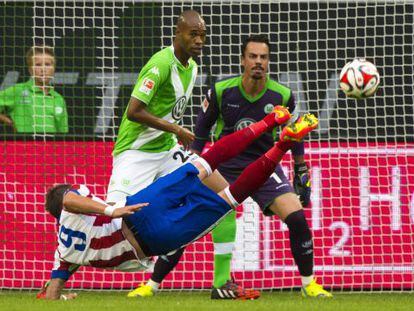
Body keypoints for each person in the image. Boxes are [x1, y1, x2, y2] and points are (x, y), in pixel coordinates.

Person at [37, 106, 319, 300]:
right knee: (206, 162)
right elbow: (69, 200)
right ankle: (270, 122)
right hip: (137, 210)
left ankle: (282, 143)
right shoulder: (68, 209)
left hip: (154, 239)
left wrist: (58, 296)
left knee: (230, 197)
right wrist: (111, 209)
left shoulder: (63, 253)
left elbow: (52, 289)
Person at [135, 35, 332, 299]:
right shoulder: (221, 91)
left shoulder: (282, 95)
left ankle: (309, 284)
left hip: (265, 165)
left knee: (296, 217)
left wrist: (301, 169)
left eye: (263, 57)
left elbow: (294, 132)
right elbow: (201, 133)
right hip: (223, 166)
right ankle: (153, 284)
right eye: (253, 56)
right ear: (243, 60)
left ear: (268, 62)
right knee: (187, 220)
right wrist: (190, 170)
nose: (258, 62)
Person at [106, 9, 248, 297]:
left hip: (167, 151)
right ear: (178, 33)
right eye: (192, 34)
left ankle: (221, 283)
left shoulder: (193, 67)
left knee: (225, 196)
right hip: (134, 153)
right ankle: (60, 275)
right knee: (108, 219)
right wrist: (176, 129)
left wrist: (174, 134)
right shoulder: (160, 64)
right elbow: (133, 111)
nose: (199, 40)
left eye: (202, 35)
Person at [0, 45, 68, 134]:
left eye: (47, 64)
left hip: (50, 147)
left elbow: (63, 135)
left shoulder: (58, 99)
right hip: (24, 146)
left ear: (54, 68)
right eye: (38, 65)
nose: (43, 69)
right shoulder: (18, 90)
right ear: (30, 69)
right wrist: (9, 122)